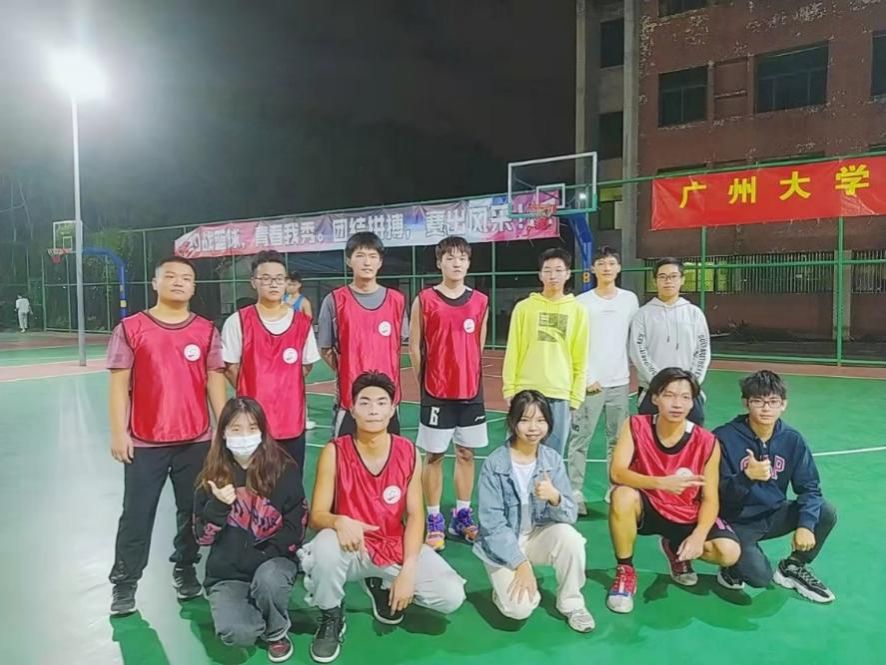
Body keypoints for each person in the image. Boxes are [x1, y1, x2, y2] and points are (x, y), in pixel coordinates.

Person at [299, 371, 465, 663]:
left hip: (392, 545)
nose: (373, 409)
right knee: (324, 549)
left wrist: (408, 570)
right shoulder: (334, 451)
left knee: (451, 595)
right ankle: (331, 615)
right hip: (352, 547)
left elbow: (415, 516)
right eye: (364, 402)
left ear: (392, 410)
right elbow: (317, 515)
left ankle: (381, 583)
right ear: (352, 409)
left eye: (381, 402)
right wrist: (339, 521)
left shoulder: (408, 452)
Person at [107, 256, 227, 616]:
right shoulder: (131, 328)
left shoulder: (206, 330)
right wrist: (118, 432)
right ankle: (125, 582)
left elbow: (215, 383)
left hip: (196, 440)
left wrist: (222, 431)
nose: (178, 282)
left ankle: (185, 567)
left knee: (192, 511)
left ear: (194, 287)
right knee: (136, 513)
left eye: (186, 278)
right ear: (155, 283)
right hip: (145, 442)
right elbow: (119, 386)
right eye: (170, 276)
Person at [606, 367, 740, 614]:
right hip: (648, 506)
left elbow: (710, 498)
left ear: (693, 402)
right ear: (655, 398)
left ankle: (675, 548)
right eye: (669, 395)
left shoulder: (707, 441)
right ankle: (625, 570)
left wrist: (699, 535)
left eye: (685, 397)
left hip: (685, 514)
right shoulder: (636, 425)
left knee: (728, 553)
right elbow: (617, 473)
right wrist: (660, 483)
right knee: (621, 495)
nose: (677, 404)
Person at [194, 397, 307, 663]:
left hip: (272, 562)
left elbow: (297, 527)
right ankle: (254, 611)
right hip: (227, 574)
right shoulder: (211, 476)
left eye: (252, 428)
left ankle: (277, 630)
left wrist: (265, 556)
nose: (244, 436)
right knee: (237, 633)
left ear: (262, 432)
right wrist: (218, 507)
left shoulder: (284, 469)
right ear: (223, 433)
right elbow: (201, 536)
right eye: (236, 429)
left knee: (269, 580)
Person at [474, 390, 595, 632]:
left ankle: (572, 603)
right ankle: (503, 589)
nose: (533, 428)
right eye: (525, 420)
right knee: (519, 609)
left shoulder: (552, 460)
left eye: (540, 420)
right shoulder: (495, 465)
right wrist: (520, 563)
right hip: (503, 547)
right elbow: (492, 524)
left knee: (571, 539)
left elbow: (569, 516)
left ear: (549, 424)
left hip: (536, 536)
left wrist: (555, 497)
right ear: (513, 422)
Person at [714, 370, 836, 603]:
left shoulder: (792, 439)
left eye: (773, 402)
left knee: (825, 511)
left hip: (773, 513)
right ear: (745, 403)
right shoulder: (723, 438)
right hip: (737, 520)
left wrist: (806, 525)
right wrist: (746, 477)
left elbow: (810, 488)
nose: (766, 408)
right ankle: (731, 565)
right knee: (759, 578)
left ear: (783, 405)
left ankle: (793, 566)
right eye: (758, 401)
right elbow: (716, 493)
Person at [409, 236, 489, 551]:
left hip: (470, 392)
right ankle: (433, 518)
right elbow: (415, 347)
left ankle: (462, 514)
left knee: (467, 454)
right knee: (434, 456)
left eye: (462, 258)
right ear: (439, 262)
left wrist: (469, 375)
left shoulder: (480, 301)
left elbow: (478, 348)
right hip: (436, 392)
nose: (456, 263)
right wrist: (426, 382)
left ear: (468, 263)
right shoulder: (425, 299)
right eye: (450, 258)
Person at [222, 250, 320, 475]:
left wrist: (283, 386)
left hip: (291, 422)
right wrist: (254, 388)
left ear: (286, 282)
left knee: (290, 483)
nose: (273, 284)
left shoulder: (302, 323)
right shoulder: (238, 321)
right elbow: (230, 366)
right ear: (254, 282)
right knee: (252, 485)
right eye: (266, 278)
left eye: (279, 278)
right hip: (251, 425)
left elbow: (306, 365)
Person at [566, 246, 639, 512]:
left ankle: (615, 487)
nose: (606, 268)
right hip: (591, 384)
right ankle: (575, 492)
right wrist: (587, 377)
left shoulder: (629, 300)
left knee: (617, 441)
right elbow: (574, 343)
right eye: (601, 263)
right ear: (592, 268)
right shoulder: (581, 302)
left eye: (611, 263)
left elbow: (633, 337)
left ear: (618, 268)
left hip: (620, 383)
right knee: (580, 439)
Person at [317, 232, 408, 437]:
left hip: (387, 398)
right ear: (349, 260)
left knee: (388, 454)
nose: (367, 262)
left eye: (372, 256)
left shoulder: (397, 301)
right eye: (360, 255)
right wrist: (348, 369)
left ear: (380, 262)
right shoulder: (334, 301)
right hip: (350, 398)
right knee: (345, 454)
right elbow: (325, 349)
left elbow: (397, 343)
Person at [502, 247, 589, 456]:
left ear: (568, 274)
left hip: (560, 393)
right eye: (547, 270)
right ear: (540, 275)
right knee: (517, 454)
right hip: (526, 391)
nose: (553, 276)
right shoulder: (524, 308)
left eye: (559, 270)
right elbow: (513, 350)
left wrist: (576, 395)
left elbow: (580, 355)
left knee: (552, 457)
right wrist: (509, 388)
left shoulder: (577, 310)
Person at [630, 257, 710, 425]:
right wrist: (661, 383)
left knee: (691, 438)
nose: (668, 281)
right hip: (653, 391)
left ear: (682, 279)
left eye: (673, 276)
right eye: (663, 277)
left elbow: (703, 351)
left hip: (689, 391)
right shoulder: (642, 314)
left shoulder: (694, 313)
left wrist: (689, 383)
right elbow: (638, 352)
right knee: (651, 438)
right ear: (655, 281)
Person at [283, 270, 317, 431]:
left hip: (298, 344)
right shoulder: (281, 300)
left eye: (293, 283)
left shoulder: (303, 302)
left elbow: (308, 322)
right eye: (288, 283)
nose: (290, 286)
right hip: (283, 343)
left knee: (298, 381)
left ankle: (303, 417)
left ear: (299, 285)